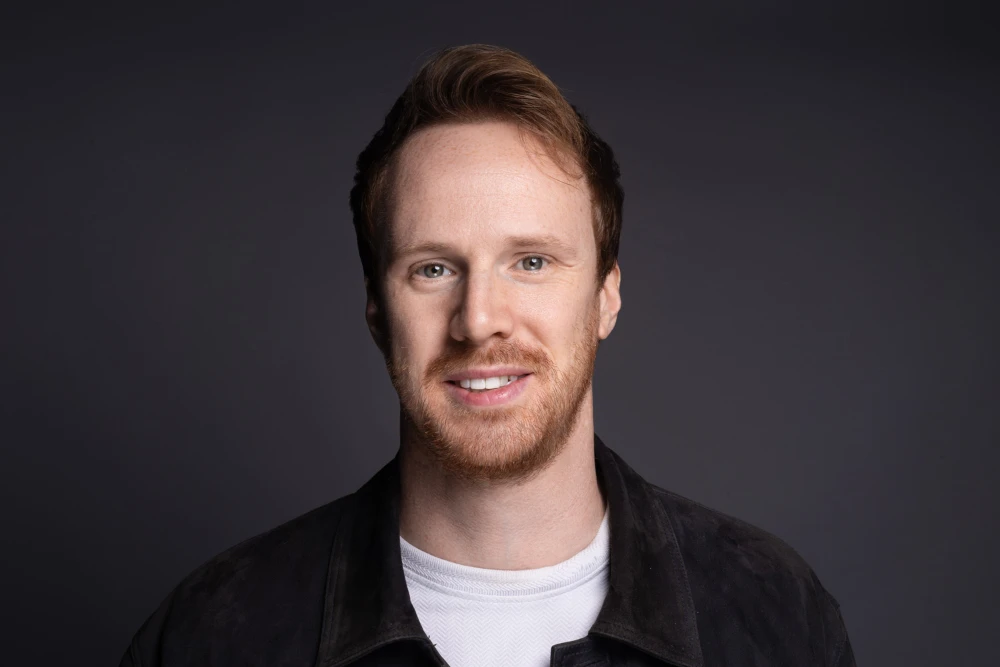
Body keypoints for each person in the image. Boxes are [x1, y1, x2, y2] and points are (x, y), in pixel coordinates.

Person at [120, 44, 856, 667]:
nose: (478, 321)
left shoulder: (775, 616)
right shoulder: (215, 632)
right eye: (433, 268)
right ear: (379, 311)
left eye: (531, 262)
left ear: (606, 295)